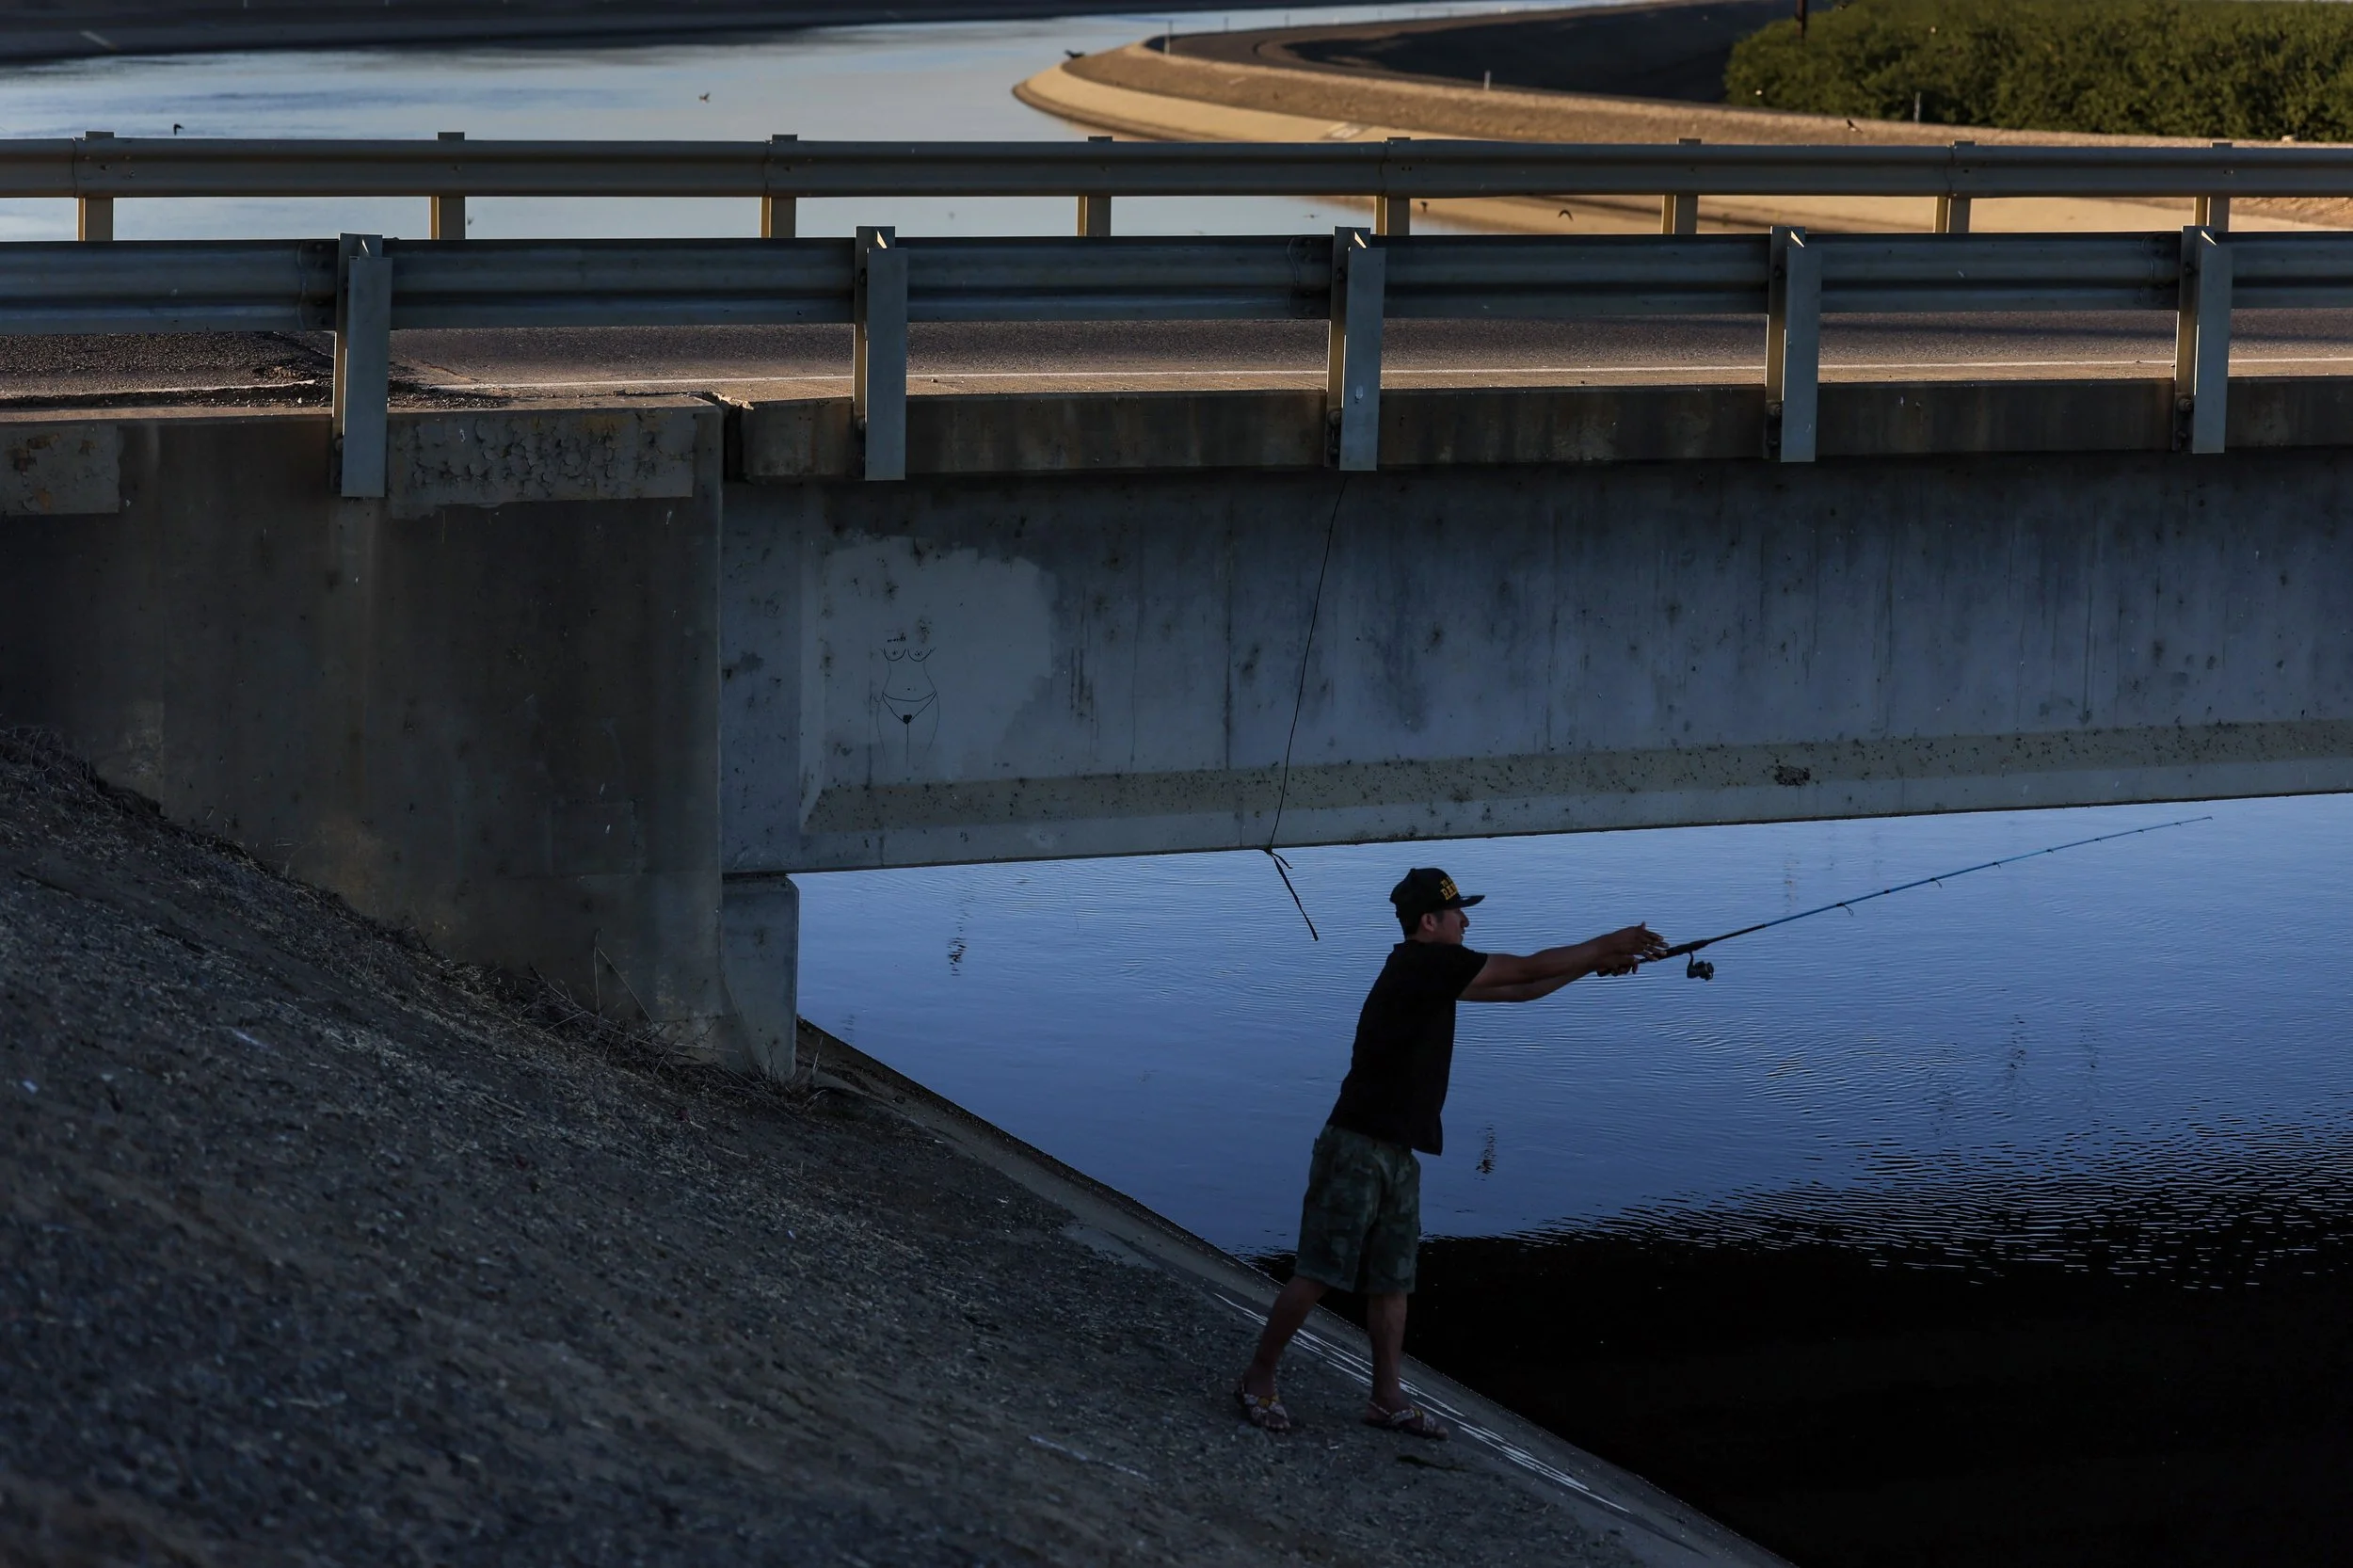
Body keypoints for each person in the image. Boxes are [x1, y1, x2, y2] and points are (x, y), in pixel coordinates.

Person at [1235, 867, 1668, 1438]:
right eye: (1458, 912)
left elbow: (1524, 988)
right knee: (1318, 1272)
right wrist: (1605, 944)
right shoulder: (1422, 963)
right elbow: (1528, 966)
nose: (1467, 920)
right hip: (1357, 1145)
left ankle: (1386, 1398)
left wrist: (1590, 965)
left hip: (1397, 1150)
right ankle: (1258, 1379)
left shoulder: (1433, 973)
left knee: (1393, 1280)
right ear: (1429, 921)